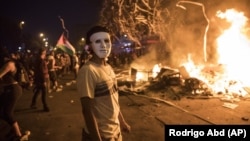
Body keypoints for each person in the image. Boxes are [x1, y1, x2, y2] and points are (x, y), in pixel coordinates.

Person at [76, 25, 131, 141]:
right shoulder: (88, 71)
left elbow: (113, 99)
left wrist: (122, 122)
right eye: (98, 41)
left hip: (115, 133)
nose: (103, 45)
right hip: (101, 136)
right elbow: (87, 110)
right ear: (90, 46)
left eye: (107, 40)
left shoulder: (109, 67)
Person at [0, 46, 23, 140]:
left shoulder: (9, 64)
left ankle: (18, 134)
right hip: (8, 89)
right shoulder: (8, 63)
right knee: (2, 111)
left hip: (13, 90)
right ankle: (15, 128)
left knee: (7, 113)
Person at [30, 47, 50, 112]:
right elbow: (41, 71)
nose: (46, 53)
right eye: (45, 52)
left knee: (38, 91)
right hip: (42, 78)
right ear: (43, 52)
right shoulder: (40, 60)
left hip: (39, 78)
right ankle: (45, 106)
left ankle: (33, 103)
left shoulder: (39, 59)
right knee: (44, 92)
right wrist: (43, 80)